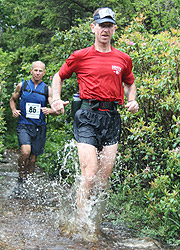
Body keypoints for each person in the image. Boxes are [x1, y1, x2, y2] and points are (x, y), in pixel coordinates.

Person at [50, 7, 139, 236]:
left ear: (114, 29)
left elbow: (129, 82)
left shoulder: (123, 59)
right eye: (101, 25)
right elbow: (59, 76)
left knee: (102, 179)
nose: (105, 30)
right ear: (93, 27)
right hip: (87, 115)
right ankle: (81, 225)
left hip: (112, 118)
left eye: (109, 26)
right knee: (89, 174)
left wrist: (132, 99)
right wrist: (56, 99)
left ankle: (92, 220)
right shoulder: (80, 56)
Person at [10, 61, 60, 191]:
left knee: (33, 159)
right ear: (31, 71)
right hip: (24, 124)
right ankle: (21, 178)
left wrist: (51, 111)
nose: (38, 73)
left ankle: (28, 183)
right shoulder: (23, 85)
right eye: (35, 70)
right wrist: (14, 110)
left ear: (44, 73)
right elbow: (12, 100)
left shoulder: (46, 90)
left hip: (39, 127)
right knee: (26, 152)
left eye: (40, 71)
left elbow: (55, 110)